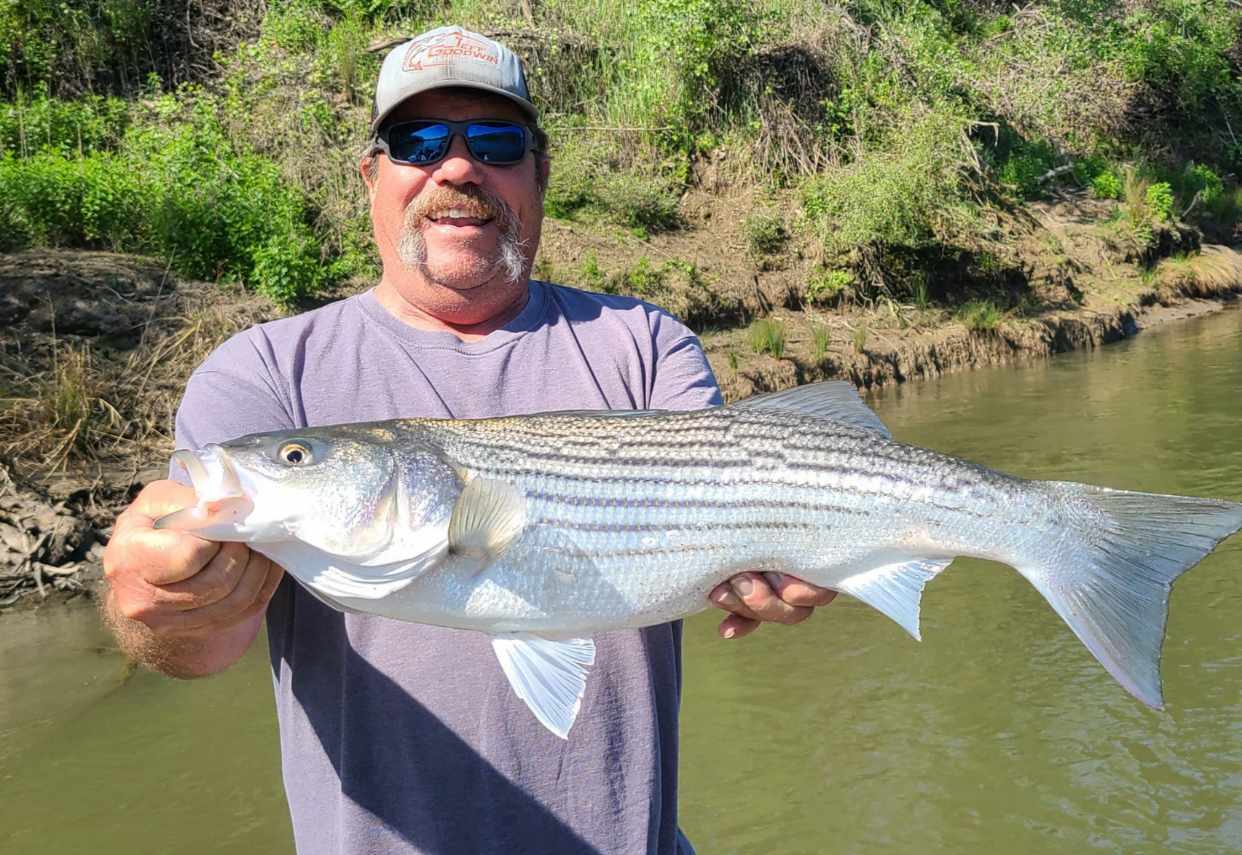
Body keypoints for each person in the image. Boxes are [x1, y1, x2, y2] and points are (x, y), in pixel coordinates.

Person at [101, 25, 835, 854]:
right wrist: (158, 603)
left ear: (540, 173)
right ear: (371, 174)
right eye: (418, 142)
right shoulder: (263, 376)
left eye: (496, 141)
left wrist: (802, 554)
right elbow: (199, 649)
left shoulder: (643, 342)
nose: (458, 168)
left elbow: (752, 500)